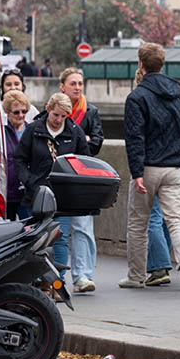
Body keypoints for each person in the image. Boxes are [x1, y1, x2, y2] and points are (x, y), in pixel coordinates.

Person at [120, 43, 180, 290]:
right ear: (162, 64)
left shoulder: (137, 97)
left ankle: (136, 276)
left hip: (149, 167)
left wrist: (137, 172)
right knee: (177, 220)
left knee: (138, 223)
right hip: (174, 166)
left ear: (141, 65)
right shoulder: (179, 96)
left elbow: (135, 137)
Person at [13, 93, 90, 283]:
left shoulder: (74, 133)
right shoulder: (34, 130)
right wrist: (30, 181)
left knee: (60, 239)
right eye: (56, 115)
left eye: (64, 117)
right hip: (36, 194)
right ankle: (34, 281)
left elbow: (84, 162)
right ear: (48, 109)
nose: (59, 120)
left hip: (63, 197)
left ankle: (57, 281)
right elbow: (19, 159)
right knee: (34, 240)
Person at [60, 67, 104, 293]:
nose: (77, 87)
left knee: (83, 227)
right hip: (60, 177)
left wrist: (84, 139)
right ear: (63, 87)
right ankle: (56, 277)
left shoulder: (91, 112)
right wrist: (83, 138)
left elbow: (96, 143)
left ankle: (83, 275)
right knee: (59, 229)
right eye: (73, 83)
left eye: (80, 83)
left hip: (84, 176)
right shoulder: (55, 111)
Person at [2, 90, 33, 221]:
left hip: (27, 192)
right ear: (7, 112)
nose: (21, 115)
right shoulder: (1, 132)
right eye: (16, 112)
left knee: (30, 230)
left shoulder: (32, 130)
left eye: (24, 111)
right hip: (7, 193)